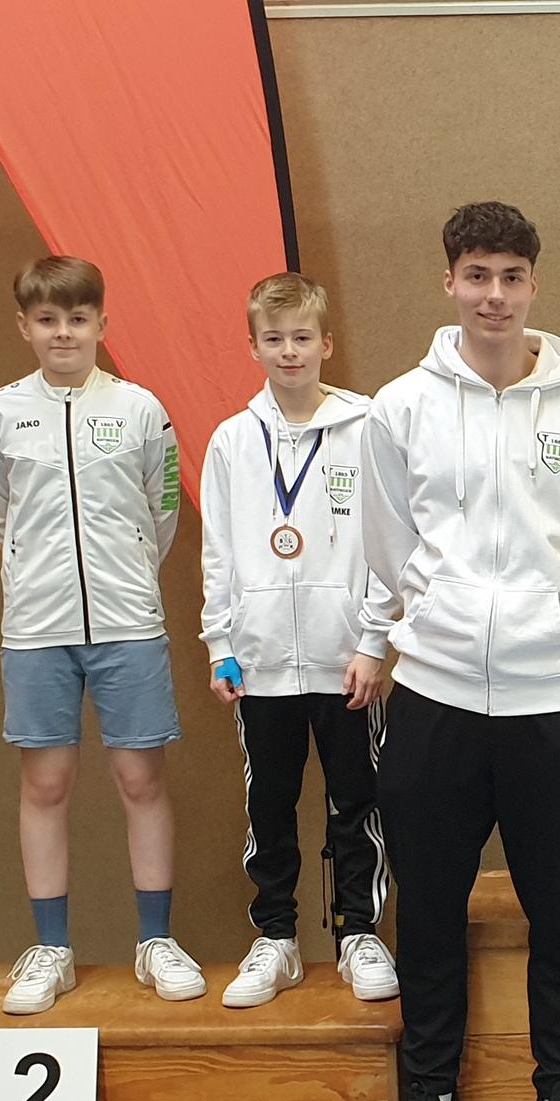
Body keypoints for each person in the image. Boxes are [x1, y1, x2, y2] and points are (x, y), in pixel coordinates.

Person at [362, 202, 560, 1101]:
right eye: (477, 275)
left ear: (533, 284)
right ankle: (430, 1100)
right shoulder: (400, 407)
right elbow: (389, 544)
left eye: (512, 276)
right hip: (434, 695)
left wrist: (553, 626)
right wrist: (433, 620)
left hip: (553, 693)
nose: (494, 296)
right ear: (449, 282)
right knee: (429, 909)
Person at [0, 255, 201, 1014]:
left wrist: (125, 571)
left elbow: (160, 510)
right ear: (23, 327)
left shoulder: (141, 408)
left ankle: (155, 941)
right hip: (36, 628)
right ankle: (51, 949)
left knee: (140, 780)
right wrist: (40, 574)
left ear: (102, 323)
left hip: (127, 623)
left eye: (77, 318)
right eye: (47, 319)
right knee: (45, 784)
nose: (63, 332)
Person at [199, 271, 398, 1009]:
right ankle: (276, 937)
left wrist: (374, 641)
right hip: (259, 661)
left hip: (346, 655)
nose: (290, 352)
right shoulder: (232, 440)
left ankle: (358, 933)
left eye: (303, 338)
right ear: (252, 346)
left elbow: (389, 540)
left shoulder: (367, 425)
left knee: (357, 798)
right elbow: (217, 550)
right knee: (270, 803)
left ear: (327, 344)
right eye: (274, 339)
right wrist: (220, 640)